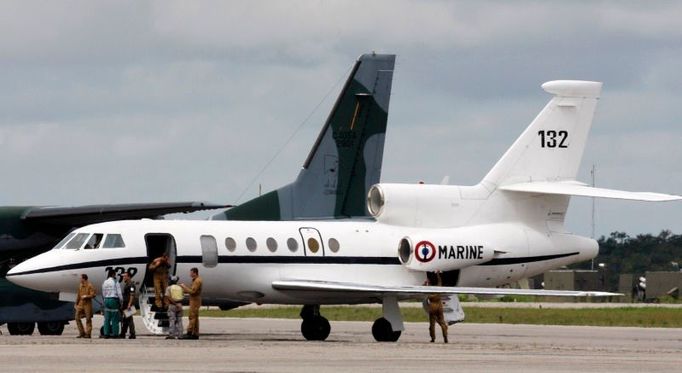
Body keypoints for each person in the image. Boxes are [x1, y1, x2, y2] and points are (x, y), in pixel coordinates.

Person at [179, 267, 202, 339]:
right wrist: (182, 290)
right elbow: (191, 290)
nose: (190, 274)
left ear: (195, 273)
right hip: (194, 299)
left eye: (191, 273)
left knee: (192, 316)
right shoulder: (195, 280)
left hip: (195, 300)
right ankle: (195, 334)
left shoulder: (197, 281)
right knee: (195, 317)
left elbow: (193, 291)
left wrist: (184, 287)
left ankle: (189, 332)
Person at [425, 271, 448, 343]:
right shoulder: (439, 288)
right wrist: (438, 274)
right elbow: (440, 281)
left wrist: (426, 284)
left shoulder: (430, 292)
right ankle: (445, 337)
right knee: (442, 323)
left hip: (432, 307)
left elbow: (428, 295)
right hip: (439, 306)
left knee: (432, 325)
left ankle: (433, 338)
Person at [101, 269, 123, 338]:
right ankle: (115, 334)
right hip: (113, 300)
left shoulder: (105, 282)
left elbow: (103, 292)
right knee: (114, 318)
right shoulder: (115, 282)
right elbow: (119, 293)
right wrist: (121, 301)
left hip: (106, 300)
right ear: (113, 274)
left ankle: (106, 334)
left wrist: (105, 300)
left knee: (107, 318)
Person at [75, 273, 96, 338]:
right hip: (81, 304)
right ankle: (81, 333)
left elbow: (93, 294)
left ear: (84, 279)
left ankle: (88, 334)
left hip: (87, 304)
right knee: (77, 317)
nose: (80, 279)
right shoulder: (80, 285)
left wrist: (86, 296)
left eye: (80, 278)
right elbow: (78, 295)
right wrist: (76, 303)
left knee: (88, 319)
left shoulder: (90, 285)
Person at [119, 271, 137, 339]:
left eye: (125, 276)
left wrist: (129, 304)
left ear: (129, 277)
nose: (123, 277)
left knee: (129, 319)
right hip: (125, 304)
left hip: (129, 304)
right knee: (125, 319)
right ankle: (123, 333)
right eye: (123, 276)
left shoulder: (131, 285)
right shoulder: (126, 284)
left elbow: (132, 295)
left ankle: (133, 334)